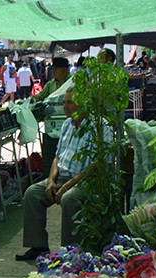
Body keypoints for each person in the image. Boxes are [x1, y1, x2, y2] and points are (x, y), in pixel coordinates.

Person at [16, 89, 108, 262]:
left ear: (84, 104)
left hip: (86, 181)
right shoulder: (67, 124)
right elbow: (57, 156)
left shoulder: (100, 126)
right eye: (64, 102)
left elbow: (97, 165)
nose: (65, 107)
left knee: (69, 198)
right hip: (64, 177)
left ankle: (71, 251)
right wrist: (51, 180)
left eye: (69, 102)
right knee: (32, 193)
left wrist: (67, 186)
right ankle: (38, 246)